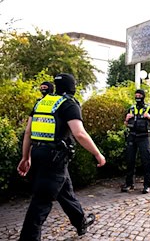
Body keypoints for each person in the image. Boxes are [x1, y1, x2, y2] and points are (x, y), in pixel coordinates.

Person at [17, 73, 106, 240]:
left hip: (39, 154)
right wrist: (97, 154)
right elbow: (79, 134)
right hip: (54, 158)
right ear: (72, 87)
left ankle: (81, 222)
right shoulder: (68, 104)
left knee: (65, 191)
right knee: (41, 203)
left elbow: (28, 131)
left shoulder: (42, 102)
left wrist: (26, 156)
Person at [122, 89, 150, 194]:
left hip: (144, 137)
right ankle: (129, 184)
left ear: (143, 96)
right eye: (136, 95)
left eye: (139, 95)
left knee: (146, 160)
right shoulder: (131, 109)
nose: (137, 97)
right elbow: (126, 124)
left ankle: (147, 185)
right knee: (130, 160)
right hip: (132, 136)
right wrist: (126, 119)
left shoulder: (149, 109)